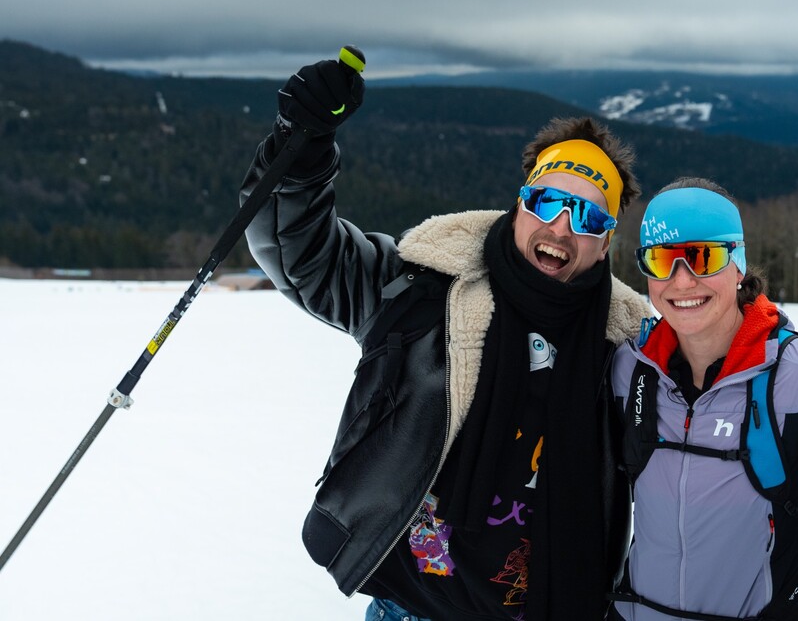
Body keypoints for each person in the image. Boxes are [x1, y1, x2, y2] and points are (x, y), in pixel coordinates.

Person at [239, 53, 652, 620]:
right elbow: (301, 253)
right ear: (520, 205)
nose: (561, 227)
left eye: (588, 218)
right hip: (412, 608)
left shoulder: (631, 349)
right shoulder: (425, 288)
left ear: (605, 244)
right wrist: (302, 143)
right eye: (548, 202)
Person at [609, 179, 798, 620]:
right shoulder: (630, 373)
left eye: (703, 257)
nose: (682, 280)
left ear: (738, 263)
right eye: (661, 259)